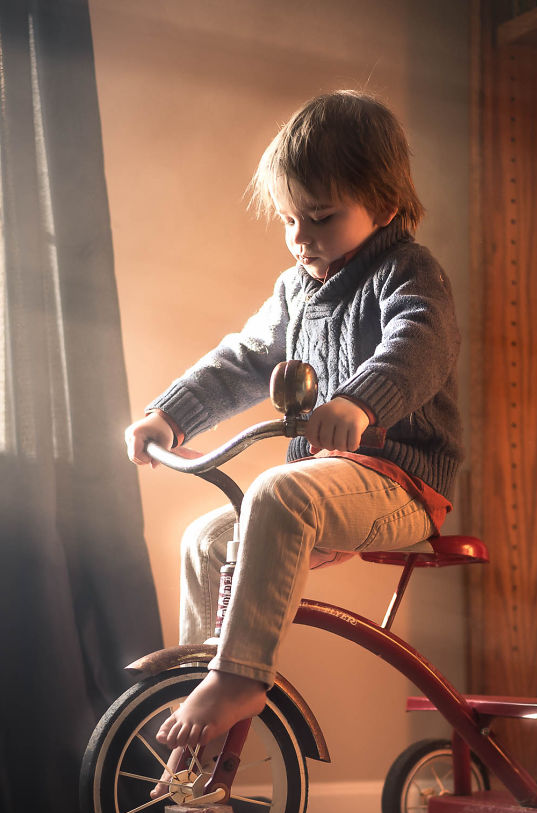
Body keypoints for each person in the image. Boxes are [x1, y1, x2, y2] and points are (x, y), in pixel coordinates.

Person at [124, 90, 462, 768]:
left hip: (402, 485)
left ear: (385, 206)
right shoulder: (296, 291)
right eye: (289, 220)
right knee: (206, 539)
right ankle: (202, 682)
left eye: (321, 217)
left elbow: (419, 344)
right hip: (326, 482)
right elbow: (244, 359)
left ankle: (239, 678)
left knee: (276, 492)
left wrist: (362, 401)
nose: (302, 237)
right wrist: (170, 414)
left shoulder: (409, 273)